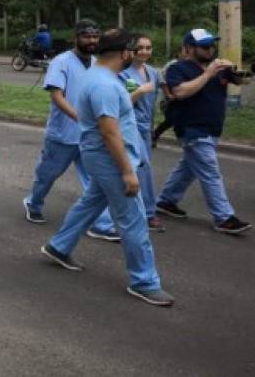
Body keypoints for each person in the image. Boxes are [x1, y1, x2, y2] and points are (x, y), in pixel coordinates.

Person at [40, 29, 173, 307]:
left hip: (101, 159)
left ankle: (59, 246)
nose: (136, 56)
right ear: (124, 53)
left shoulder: (100, 77)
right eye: (134, 51)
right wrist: (127, 171)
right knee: (133, 220)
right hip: (111, 161)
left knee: (89, 204)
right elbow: (110, 132)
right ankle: (144, 282)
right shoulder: (104, 85)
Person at [22, 19, 117, 241]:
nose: (92, 41)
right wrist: (80, 117)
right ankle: (33, 202)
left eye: (95, 37)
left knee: (96, 180)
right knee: (48, 175)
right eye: (87, 36)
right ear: (76, 37)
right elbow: (57, 96)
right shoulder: (60, 62)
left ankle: (102, 224)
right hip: (62, 135)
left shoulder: (98, 63)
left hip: (90, 136)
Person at [155, 29, 252, 234]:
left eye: (212, 46)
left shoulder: (216, 68)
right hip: (192, 128)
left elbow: (244, 80)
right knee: (210, 173)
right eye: (205, 46)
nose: (210, 50)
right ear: (189, 48)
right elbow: (180, 92)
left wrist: (240, 73)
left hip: (211, 128)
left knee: (188, 169)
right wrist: (209, 73)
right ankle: (223, 217)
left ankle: (165, 201)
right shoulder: (178, 68)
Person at [120, 34, 164, 232]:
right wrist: (141, 90)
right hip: (132, 126)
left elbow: (157, 101)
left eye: (148, 47)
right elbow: (127, 102)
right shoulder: (125, 74)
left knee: (135, 168)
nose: (145, 51)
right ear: (131, 49)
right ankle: (148, 212)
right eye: (140, 48)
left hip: (147, 127)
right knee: (143, 167)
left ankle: (122, 206)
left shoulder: (153, 72)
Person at [152, 45, 187, 147]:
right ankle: (154, 135)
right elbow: (162, 81)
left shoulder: (187, 65)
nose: (187, 54)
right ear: (179, 53)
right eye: (185, 51)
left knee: (176, 120)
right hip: (169, 99)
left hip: (180, 99)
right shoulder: (172, 65)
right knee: (171, 120)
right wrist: (168, 95)